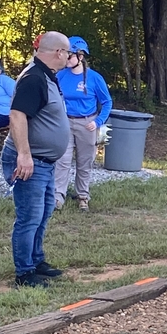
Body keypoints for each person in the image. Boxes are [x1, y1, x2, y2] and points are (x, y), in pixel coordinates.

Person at [0, 31, 71, 287]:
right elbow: (17, 116)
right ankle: (25, 273)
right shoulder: (33, 77)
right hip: (32, 160)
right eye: (68, 51)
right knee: (29, 216)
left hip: (45, 161)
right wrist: (24, 155)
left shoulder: (47, 76)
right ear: (58, 53)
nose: (69, 56)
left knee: (43, 213)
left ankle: (37, 260)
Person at [54, 36, 113, 211]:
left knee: (84, 162)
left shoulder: (94, 78)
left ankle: (82, 196)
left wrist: (98, 122)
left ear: (80, 56)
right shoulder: (60, 75)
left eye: (69, 55)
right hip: (65, 122)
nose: (66, 58)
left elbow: (107, 102)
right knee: (62, 161)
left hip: (87, 124)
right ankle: (58, 198)